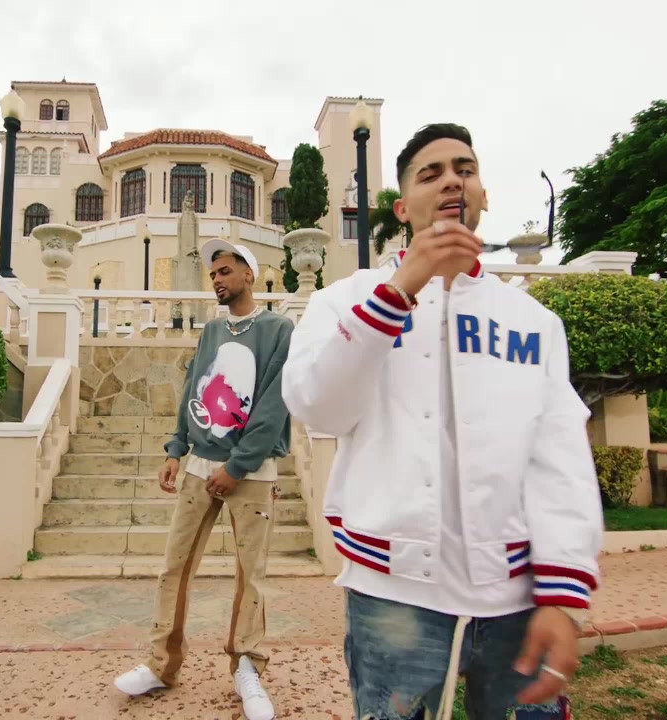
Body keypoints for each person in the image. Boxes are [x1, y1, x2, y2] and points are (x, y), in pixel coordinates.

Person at [281, 123, 603, 720]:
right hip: (394, 595)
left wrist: (563, 592)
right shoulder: (343, 300)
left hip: (517, 596)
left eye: (465, 170)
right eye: (431, 174)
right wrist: (398, 292)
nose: (452, 180)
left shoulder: (532, 321)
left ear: (483, 195)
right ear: (402, 208)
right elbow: (317, 407)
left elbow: (558, 455)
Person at [114, 239, 294, 720]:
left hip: (252, 472)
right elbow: (192, 388)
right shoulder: (212, 331)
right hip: (198, 464)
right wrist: (176, 448)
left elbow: (274, 404)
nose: (216, 280)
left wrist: (236, 467)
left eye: (225, 271)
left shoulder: (279, 329)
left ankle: (247, 668)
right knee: (174, 567)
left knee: (250, 574)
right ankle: (161, 664)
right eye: (213, 274)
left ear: (248, 275)